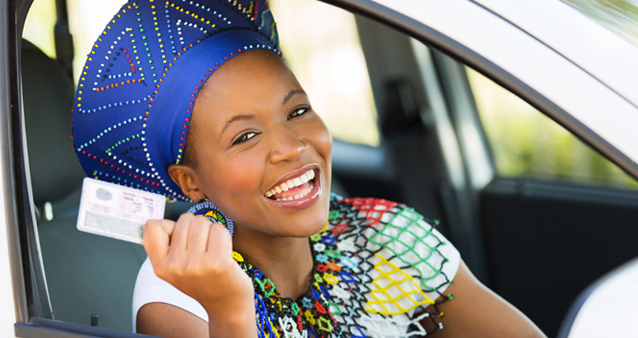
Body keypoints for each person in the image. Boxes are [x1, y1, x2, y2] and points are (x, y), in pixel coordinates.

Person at [71, 1, 546, 337]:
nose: (291, 147)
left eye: (297, 111)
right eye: (245, 137)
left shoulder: (385, 237)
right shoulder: (176, 293)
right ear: (189, 181)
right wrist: (230, 311)